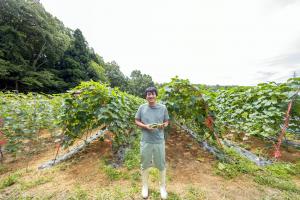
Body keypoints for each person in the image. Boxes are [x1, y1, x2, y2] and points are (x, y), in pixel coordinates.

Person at [135, 87, 169, 199]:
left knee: (161, 164)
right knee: (145, 163)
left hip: (159, 140)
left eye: (153, 94)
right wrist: (145, 126)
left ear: (156, 95)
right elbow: (136, 120)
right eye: (148, 94)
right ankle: (145, 186)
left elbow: (167, 121)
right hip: (146, 140)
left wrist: (164, 125)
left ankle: (162, 187)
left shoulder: (163, 108)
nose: (151, 96)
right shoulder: (142, 108)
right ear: (146, 96)